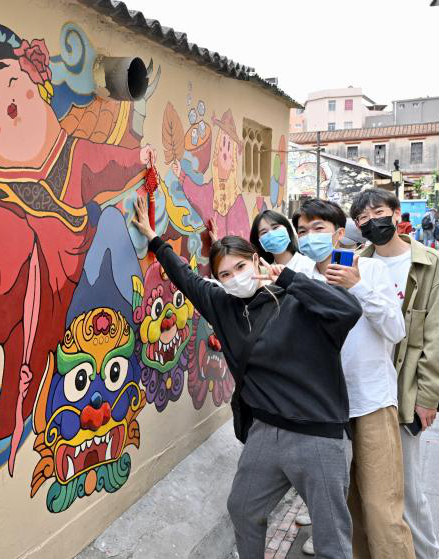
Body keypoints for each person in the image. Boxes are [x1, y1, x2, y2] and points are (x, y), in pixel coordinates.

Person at [132, 195, 362, 559]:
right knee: (242, 509)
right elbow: (184, 277)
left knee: (331, 539)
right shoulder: (222, 305)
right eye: (225, 274)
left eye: (240, 266)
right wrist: (153, 238)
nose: (235, 277)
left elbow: (347, 309)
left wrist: (289, 278)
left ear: (257, 260)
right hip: (264, 435)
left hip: (316, 434)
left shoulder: (295, 298)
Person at [291, 200, 413, 558]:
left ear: (339, 234)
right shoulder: (301, 277)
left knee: (382, 510)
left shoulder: (370, 270)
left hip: (370, 402)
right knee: (345, 509)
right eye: (303, 231)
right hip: (325, 409)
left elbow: (396, 329)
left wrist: (358, 286)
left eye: (318, 229)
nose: (309, 237)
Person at [352, 188, 439, 559]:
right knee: (365, 484)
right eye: (363, 218)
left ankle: (426, 553)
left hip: (405, 389)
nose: (371, 221)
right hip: (366, 388)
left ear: (396, 214)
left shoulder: (429, 263)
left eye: (378, 212)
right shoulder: (357, 261)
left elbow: (438, 335)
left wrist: (429, 396)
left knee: (406, 490)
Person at [249, 210, 315, 274]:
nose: (271, 234)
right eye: (264, 232)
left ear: (287, 229)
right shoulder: (264, 272)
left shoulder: (309, 264)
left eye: (275, 227)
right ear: (259, 241)